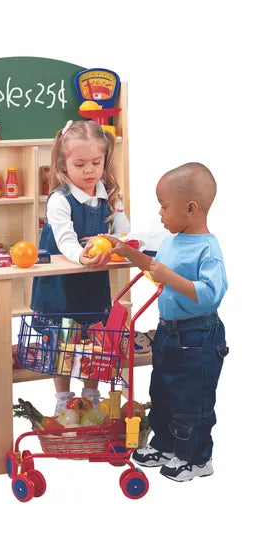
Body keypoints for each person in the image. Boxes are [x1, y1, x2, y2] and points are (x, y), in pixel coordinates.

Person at [102, 162, 229, 482]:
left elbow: (211, 294)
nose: (160, 213)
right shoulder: (173, 240)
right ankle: (165, 445)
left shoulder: (208, 248)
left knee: (191, 399)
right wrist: (128, 253)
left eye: (164, 206)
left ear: (191, 209)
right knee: (163, 391)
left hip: (198, 334)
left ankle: (196, 458)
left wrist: (169, 277)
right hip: (168, 331)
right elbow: (154, 268)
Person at [30, 119, 130, 414]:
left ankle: (91, 396)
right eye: (80, 164)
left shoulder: (110, 196)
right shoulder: (59, 199)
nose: (89, 171)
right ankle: (63, 399)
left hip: (92, 282)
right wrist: (83, 255)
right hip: (59, 284)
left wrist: (113, 243)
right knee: (60, 342)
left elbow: (123, 232)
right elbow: (65, 240)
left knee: (94, 339)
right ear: (63, 165)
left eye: (96, 163)